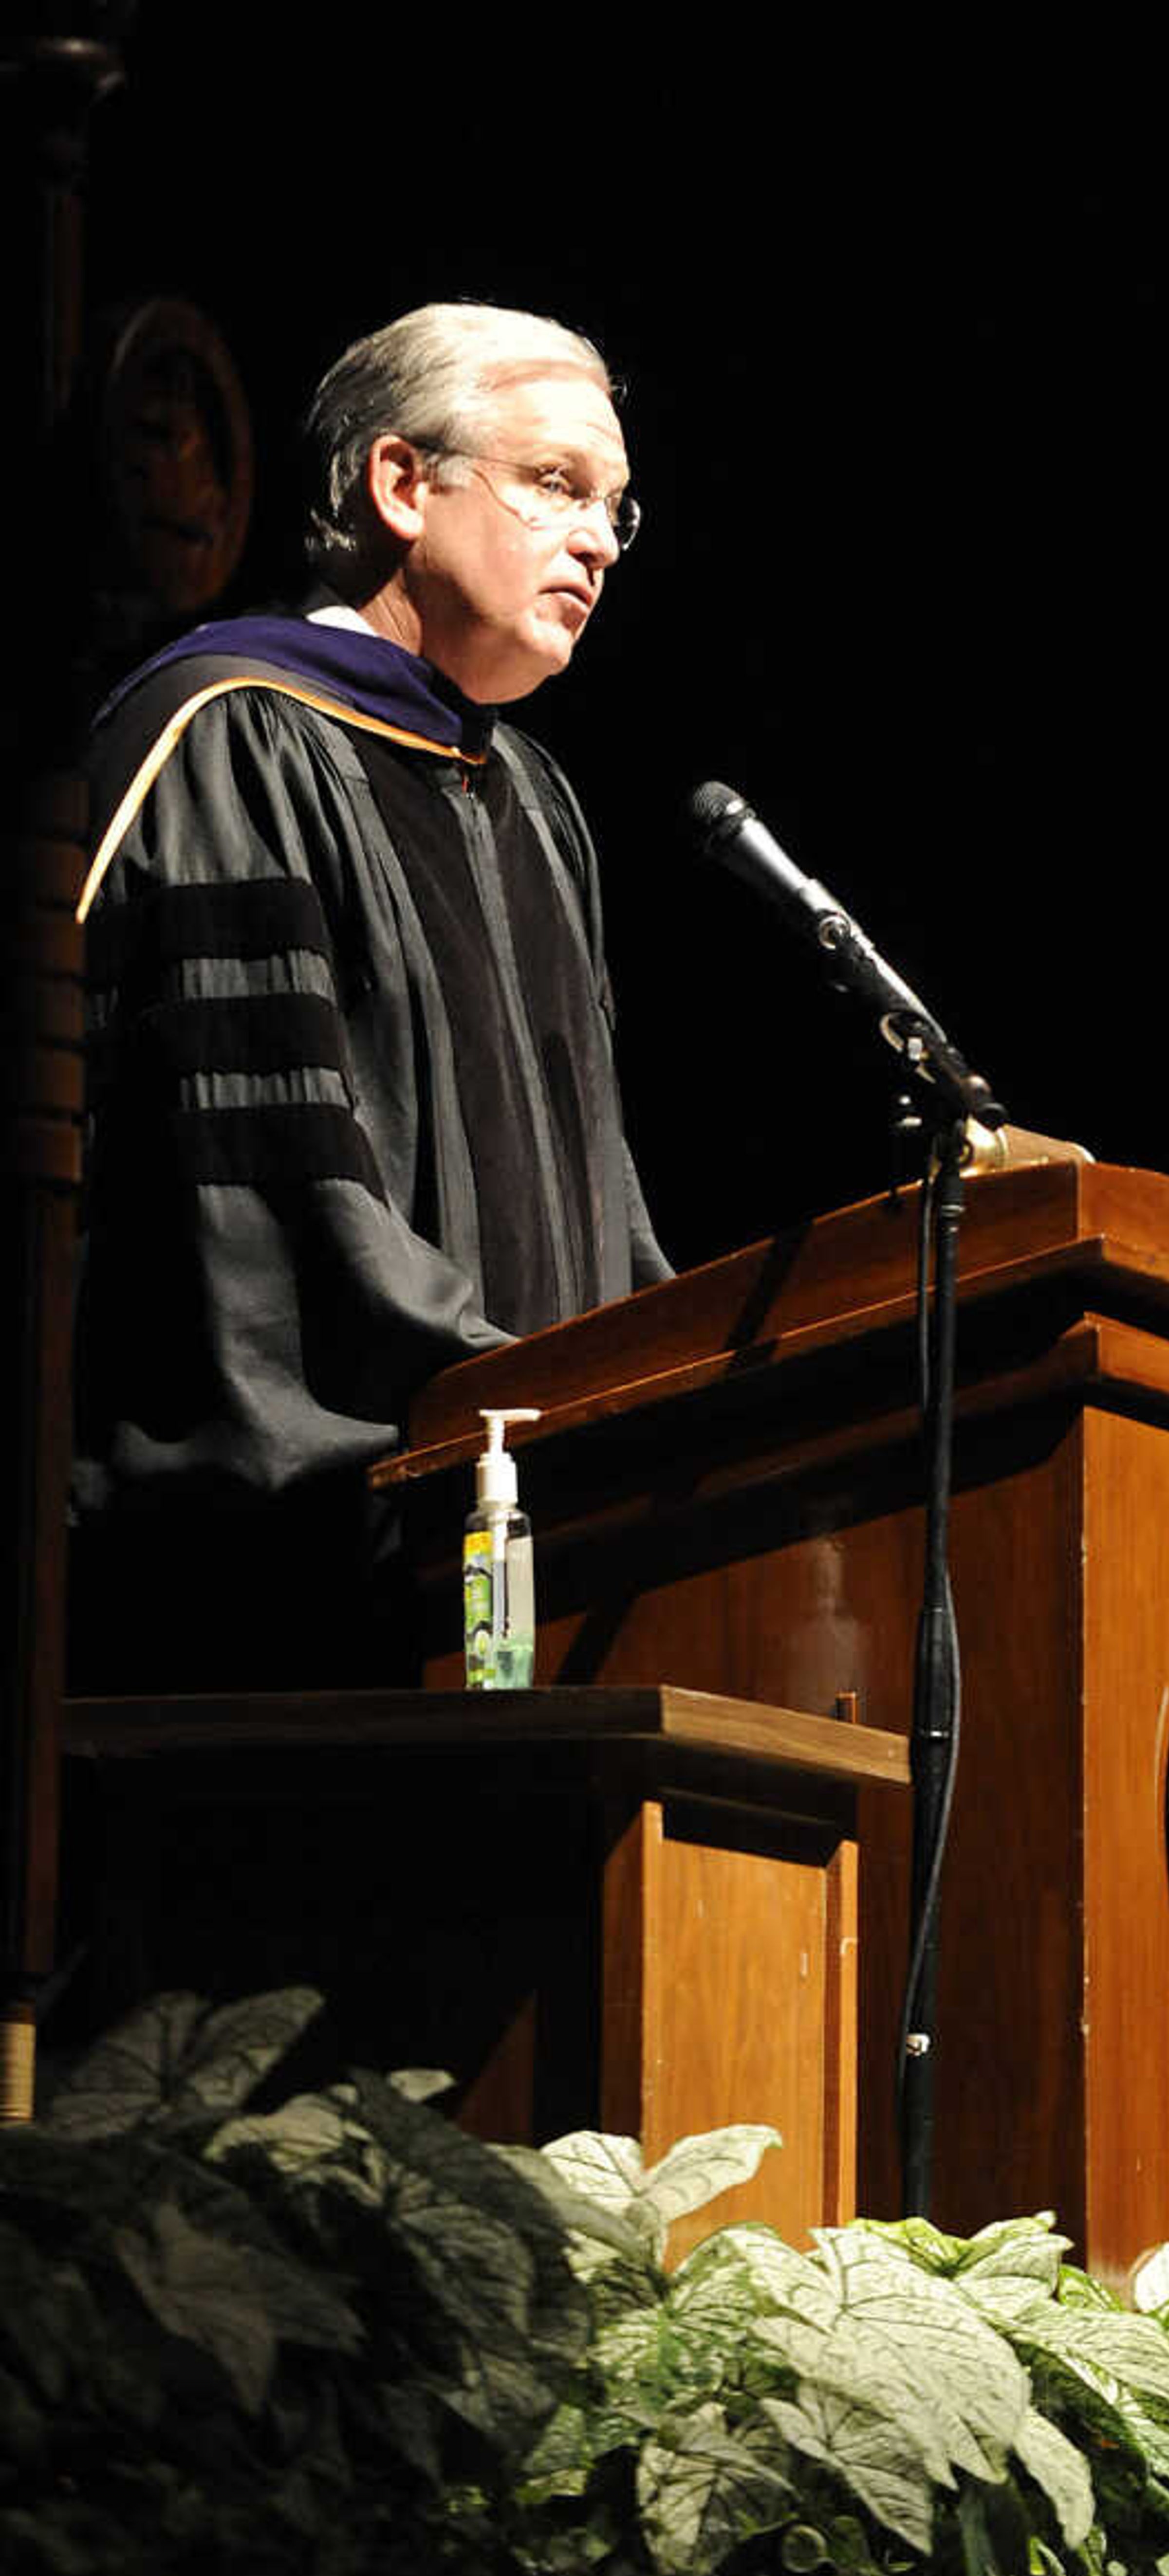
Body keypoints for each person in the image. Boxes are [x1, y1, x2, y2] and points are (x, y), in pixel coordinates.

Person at [70, 302, 670, 1691]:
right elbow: (265, 1220)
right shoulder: (230, 742)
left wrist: (672, 1396)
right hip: (292, 1609)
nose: (595, 539)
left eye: (617, 511)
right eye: (555, 486)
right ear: (403, 486)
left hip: (527, 1554)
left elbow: (599, 1201)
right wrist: (530, 1415)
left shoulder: (534, 804)